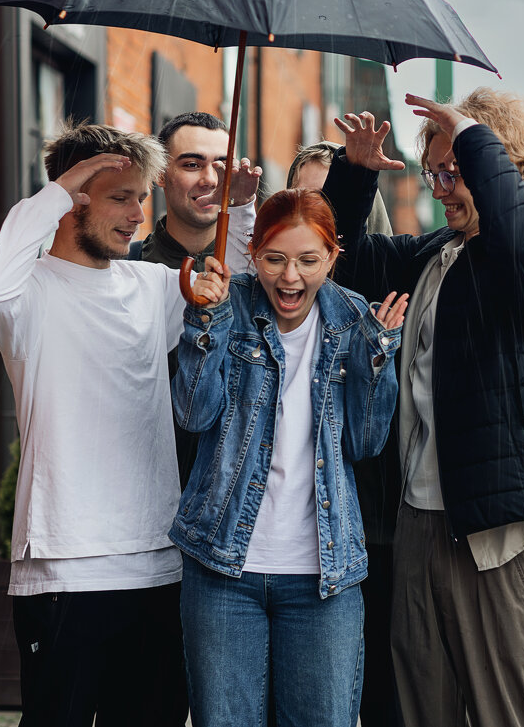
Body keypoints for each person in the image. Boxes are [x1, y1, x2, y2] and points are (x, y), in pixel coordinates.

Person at [322, 90, 524, 727]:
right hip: (421, 518)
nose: (442, 188)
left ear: (501, 167)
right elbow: (344, 259)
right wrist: (356, 172)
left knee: (507, 709)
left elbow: (517, 240)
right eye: (436, 172)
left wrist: (475, 137)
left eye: (457, 172)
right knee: (424, 705)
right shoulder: (434, 256)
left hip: (493, 528)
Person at [0, 123, 214, 726]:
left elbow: (245, 274)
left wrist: (230, 219)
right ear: (74, 197)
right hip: (64, 563)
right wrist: (61, 188)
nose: (138, 214)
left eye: (141, 196)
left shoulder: (153, 285)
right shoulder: (27, 294)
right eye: (120, 196)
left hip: (158, 561)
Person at [170, 188, 409, 727]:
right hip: (223, 567)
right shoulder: (226, 307)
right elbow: (192, 413)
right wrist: (202, 326)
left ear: (332, 256)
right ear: (253, 252)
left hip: (324, 575)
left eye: (308, 260)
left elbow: (365, 443)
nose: (290, 278)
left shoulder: (354, 322)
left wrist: (378, 356)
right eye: (275, 259)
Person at [288, 137, 402, 726]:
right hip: (293, 538)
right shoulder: (272, 301)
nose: (319, 214)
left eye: (335, 200)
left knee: (378, 692)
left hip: (377, 525)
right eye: (310, 196)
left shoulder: (388, 294)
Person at [136, 111, 261, 490]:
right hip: (140, 488)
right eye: (192, 164)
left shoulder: (261, 275)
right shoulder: (125, 270)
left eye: (221, 164)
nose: (210, 178)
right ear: (160, 175)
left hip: (229, 495)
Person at [287, 140, 393, 236]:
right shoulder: (276, 251)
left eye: (330, 198)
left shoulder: (387, 254)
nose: (317, 208)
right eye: (305, 196)